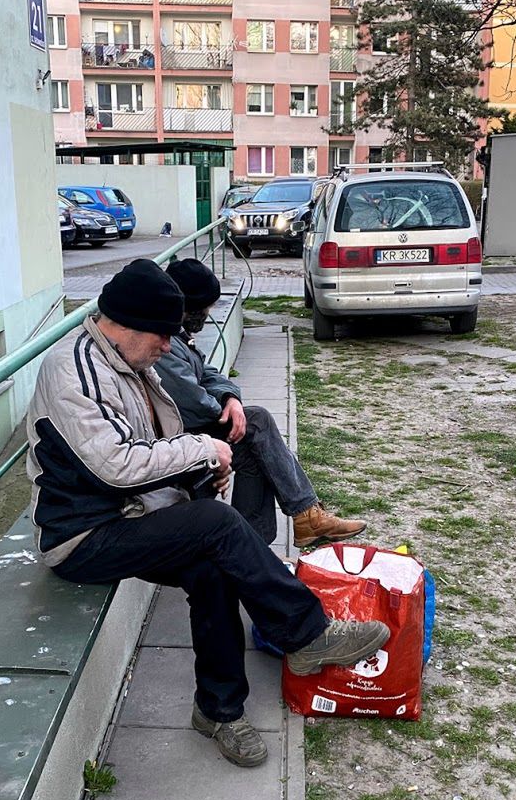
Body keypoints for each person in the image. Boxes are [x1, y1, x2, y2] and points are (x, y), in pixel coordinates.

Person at [26, 259, 388, 767]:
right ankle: (307, 634)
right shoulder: (74, 370)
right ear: (128, 324)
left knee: (214, 568)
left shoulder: (126, 359)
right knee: (216, 525)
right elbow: (113, 466)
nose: (171, 347)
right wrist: (201, 451)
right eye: (165, 335)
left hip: (129, 516)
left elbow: (149, 443)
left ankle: (219, 711)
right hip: (83, 537)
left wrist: (196, 473)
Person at [156, 258, 366, 548]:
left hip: (187, 430)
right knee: (256, 423)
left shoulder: (177, 336)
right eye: (204, 307)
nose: (207, 314)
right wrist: (228, 410)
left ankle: (255, 546)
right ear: (185, 305)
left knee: (257, 447)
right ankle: (301, 518)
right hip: (174, 441)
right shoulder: (164, 341)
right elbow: (193, 403)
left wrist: (230, 398)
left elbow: (207, 373)